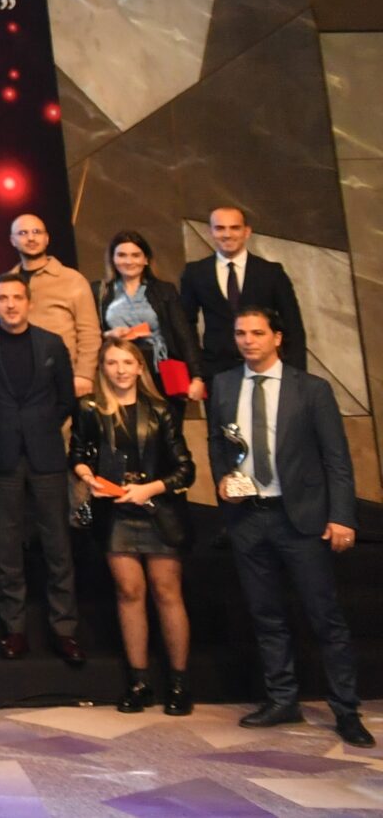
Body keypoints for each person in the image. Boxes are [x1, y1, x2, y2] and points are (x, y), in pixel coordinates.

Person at [207, 306, 366, 745]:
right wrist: (222, 479)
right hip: (248, 518)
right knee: (266, 615)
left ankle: (346, 710)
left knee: (324, 617)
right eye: (241, 333)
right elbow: (218, 443)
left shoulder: (311, 388)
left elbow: (337, 458)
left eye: (257, 333)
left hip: (302, 518)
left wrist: (342, 516)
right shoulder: (224, 385)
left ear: (277, 337)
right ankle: (282, 700)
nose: (248, 340)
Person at [73, 339, 195, 714]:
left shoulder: (161, 409)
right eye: (112, 362)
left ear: (140, 367)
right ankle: (139, 683)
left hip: (157, 509)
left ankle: (178, 685)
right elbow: (77, 455)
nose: (120, 369)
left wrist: (148, 489)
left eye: (127, 362)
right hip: (115, 512)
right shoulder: (90, 408)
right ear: (103, 368)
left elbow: (185, 469)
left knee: (166, 591)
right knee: (129, 591)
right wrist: (88, 478)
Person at [0, 271, 83, 664]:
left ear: (29, 302)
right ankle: (14, 629)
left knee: (58, 546)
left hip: (45, 455)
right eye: (3, 298)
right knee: (6, 546)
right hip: (0, 456)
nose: (11, 304)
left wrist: (40, 426)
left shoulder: (51, 343)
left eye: (17, 297)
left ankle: (64, 630)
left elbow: (66, 398)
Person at [180, 205, 307, 399]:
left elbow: (293, 325)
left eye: (235, 228)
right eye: (220, 228)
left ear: (247, 232)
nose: (227, 234)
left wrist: (296, 375)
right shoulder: (195, 272)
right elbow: (185, 325)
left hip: (267, 369)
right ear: (211, 232)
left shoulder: (271, 272)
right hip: (217, 373)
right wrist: (197, 372)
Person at [95, 231, 201, 401]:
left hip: (161, 370)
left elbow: (183, 334)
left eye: (135, 255)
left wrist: (197, 376)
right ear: (112, 259)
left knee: (165, 416)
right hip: (119, 372)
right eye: (122, 255)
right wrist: (108, 335)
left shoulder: (164, 290)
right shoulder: (100, 292)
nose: (129, 261)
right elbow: (89, 334)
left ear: (146, 259)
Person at [9, 214, 99, 396]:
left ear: (46, 238)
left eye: (37, 232)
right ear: (13, 240)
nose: (31, 238)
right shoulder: (7, 282)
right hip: (19, 380)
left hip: (63, 377)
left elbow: (89, 332)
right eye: (23, 233)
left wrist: (84, 374)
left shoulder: (72, 279)